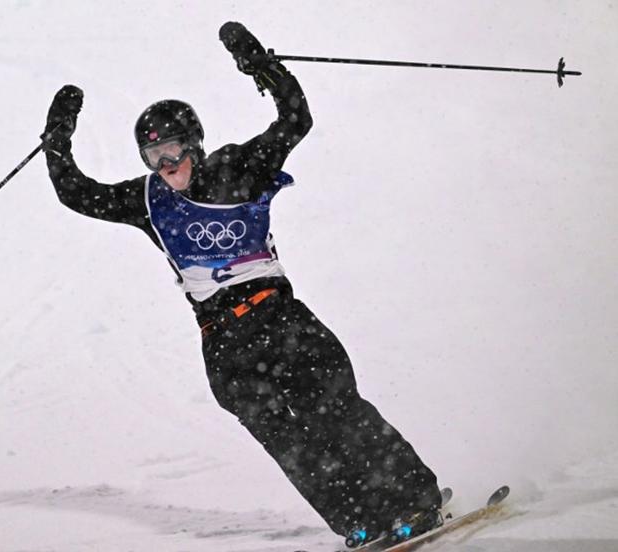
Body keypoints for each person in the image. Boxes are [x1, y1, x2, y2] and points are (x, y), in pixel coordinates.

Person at [42, 21, 442, 547]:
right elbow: (78, 194)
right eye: (153, 158)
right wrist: (58, 139)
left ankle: (414, 502)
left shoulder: (239, 167)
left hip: (280, 320)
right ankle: (360, 521)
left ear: (196, 145)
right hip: (225, 345)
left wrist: (261, 67)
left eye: (173, 152)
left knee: (337, 409)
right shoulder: (148, 201)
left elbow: (295, 119)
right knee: (287, 439)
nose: (166, 167)